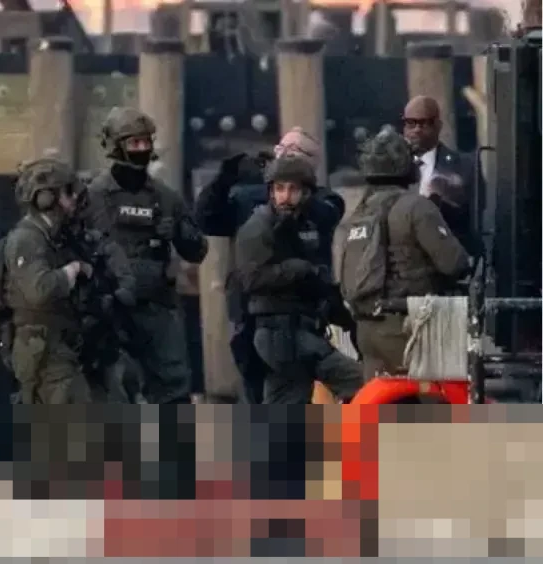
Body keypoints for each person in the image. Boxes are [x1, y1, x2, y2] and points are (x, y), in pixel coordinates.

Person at [196, 128, 346, 403]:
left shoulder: (323, 201)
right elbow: (208, 220)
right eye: (281, 148)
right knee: (257, 388)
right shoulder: (250, 196)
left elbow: (322, 215)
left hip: (298, 313)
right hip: (250, 309)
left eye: (294, 150)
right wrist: (223, 181)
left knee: (298, 390)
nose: (283, 154)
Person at [83, 107, 207, 404]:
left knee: (173, 386)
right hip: (110, 308)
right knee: (110, 385)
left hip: (157, 307)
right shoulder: (92, 196)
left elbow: (198, 250)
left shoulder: (166, 197)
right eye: (133, 143)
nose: (141, 149)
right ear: (116, 146)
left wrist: (178, 232)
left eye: (145, 142)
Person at [340, 130, 472, 381]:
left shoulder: (361, 211)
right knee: (433, 401)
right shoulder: (416, 206)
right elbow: (454, 263)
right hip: (408, 327)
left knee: (382, 402)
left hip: (367, 329)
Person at [234, 155, 364, 404]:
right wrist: (296, 269)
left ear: (306, 193)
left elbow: (317, 278)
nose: (285, 196)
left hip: (303, 329)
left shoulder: (307, 224)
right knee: (358, 383)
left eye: (293, 189)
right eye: (279, 189)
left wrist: (343, 317)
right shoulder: (258, 228)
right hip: (280, 333)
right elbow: (250, 279)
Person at [0, 158, 96, 403]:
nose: (74, 200)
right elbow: (38, 290)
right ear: (46, 198)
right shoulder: (26, 239)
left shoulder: (50, 237)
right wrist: (72, 270)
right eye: (68, 193)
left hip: (56, 344)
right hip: (43, 350)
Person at [402, 95, 483, 256]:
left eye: (425, 123)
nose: (417, 129)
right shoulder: (394, 168)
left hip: (449, 257)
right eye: (411, 123)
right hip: (405, 260)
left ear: (438, 126)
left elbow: (476, 220)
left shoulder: (465, 166)